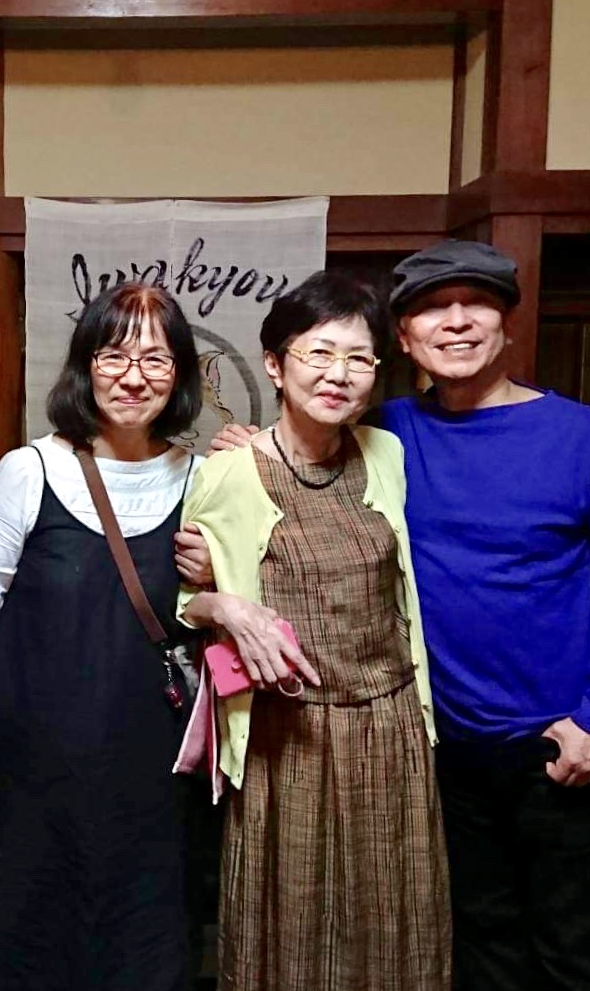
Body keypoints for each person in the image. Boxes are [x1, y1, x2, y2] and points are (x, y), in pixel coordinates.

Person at [209, 241, 590, 990]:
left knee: (576, 956)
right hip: (436, 747)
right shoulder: (383, 435)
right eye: (431, 308)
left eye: (476, 303)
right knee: (477, 947)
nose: (455, 321)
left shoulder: (584, 436)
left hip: (560, 742)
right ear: (404, 335)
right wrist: (234, 488)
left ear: (507, 324)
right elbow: (295, 474)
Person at [176, 270, 451, 991]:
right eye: (318, 353)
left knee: (394, 916)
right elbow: (186, 603)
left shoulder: (387, 453)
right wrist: (227, 606)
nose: (339, 374)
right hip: (286, 734)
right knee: (292, 924)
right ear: (275, 364)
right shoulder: (228, 472)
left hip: (389, 724)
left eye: (359, 358)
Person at [0, 282, 206, 991]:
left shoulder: (204, 479)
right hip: (36, 759)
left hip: (153, 760)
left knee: (143, 933)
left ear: (179, 373)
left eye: (155, 358)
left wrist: (217, 576)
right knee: (29, 926)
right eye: (113, 355)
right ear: (86, 366)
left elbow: (220, 616)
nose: (133, 375)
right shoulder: (30, 470)